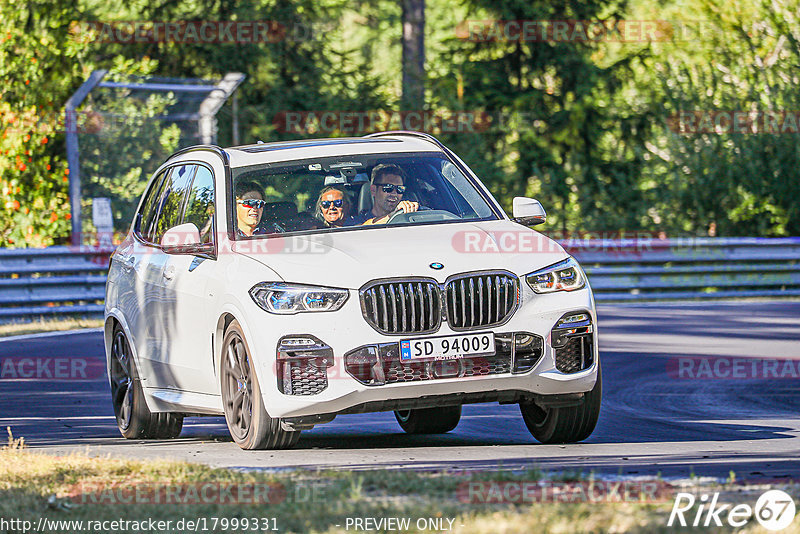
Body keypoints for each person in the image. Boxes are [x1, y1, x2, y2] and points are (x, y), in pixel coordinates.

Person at [344, 164, 418, 226]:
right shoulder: (356, 220)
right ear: (373, 190)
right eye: (388, 188)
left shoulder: (409, 218)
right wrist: (393, 215)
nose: (394, 193)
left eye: (400, 189)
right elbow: (359, 232)